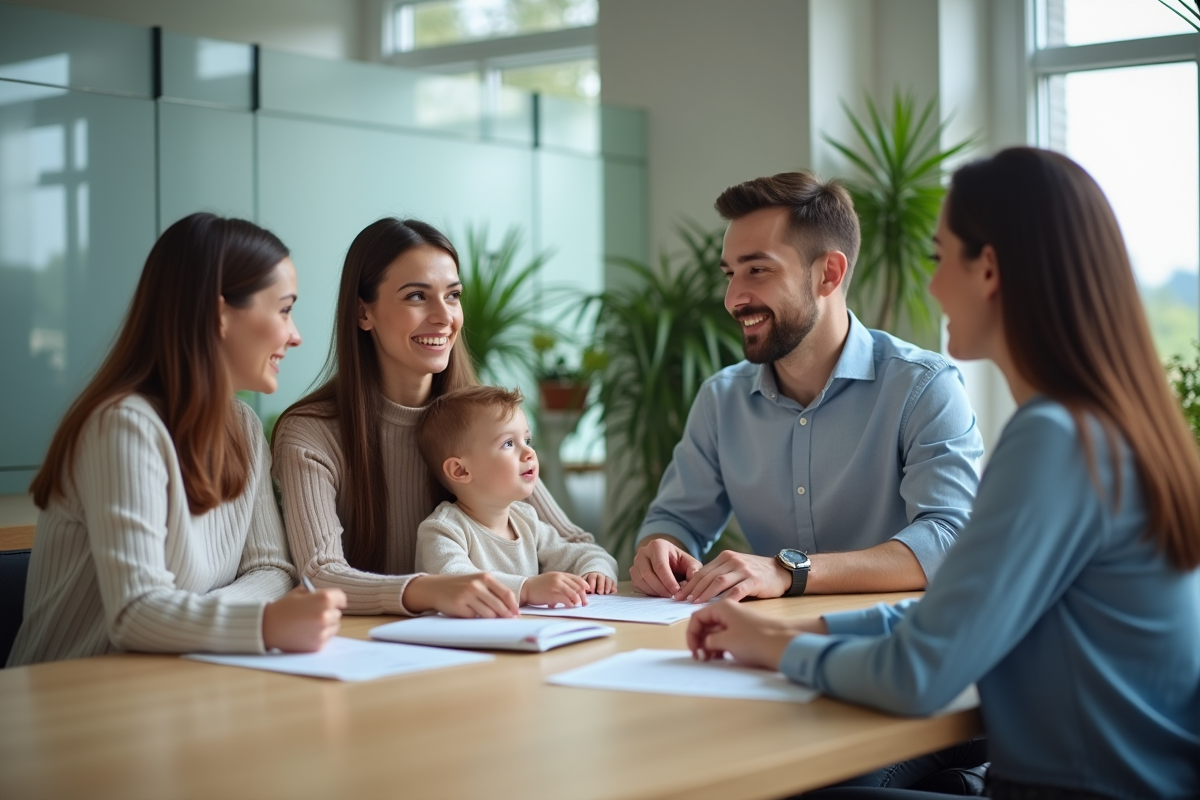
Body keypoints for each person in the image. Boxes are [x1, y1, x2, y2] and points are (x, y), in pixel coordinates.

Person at [686, 148, 1200, 799]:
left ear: (987, 269)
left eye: (938, 257)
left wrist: (781, 651)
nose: (930, 285)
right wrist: (801, 628)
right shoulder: (1102, 427)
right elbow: (951, 613)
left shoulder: (1053, 440)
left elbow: (919, 672)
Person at [8, 213, 346, 667]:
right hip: (71, 702)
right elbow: (136, 611)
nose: (296, 335)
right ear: (219, 314)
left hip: (177, 683)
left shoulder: (244, 427)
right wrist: (264, 624)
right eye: (284, 310)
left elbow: (271, 570)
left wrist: (216, 618)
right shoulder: (123, 426)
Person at [631, 172, 983, 603]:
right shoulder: (720, 400)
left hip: (887, 650)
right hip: (758, 646)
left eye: (757, 269)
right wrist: (664, 550)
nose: (733, 298)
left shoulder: (923, 388)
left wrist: (789, 571)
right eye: (730, 273)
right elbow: (674, 520)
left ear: (828, 274)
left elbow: (949, 539)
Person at [273, 218, 598, 620]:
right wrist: (434, 590)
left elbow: (574, 544)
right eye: (416, 296)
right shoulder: (310, 433)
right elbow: (319, 576)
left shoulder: (482, 424)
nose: (444, 317)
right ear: (363, 312)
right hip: (363, 655)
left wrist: (611, 568)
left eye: (453, 295)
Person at [414, 386, 618, 606]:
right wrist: (527, 589)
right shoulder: (443, 530)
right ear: (460, 471)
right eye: (508, 443)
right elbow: (456, 582)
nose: (529, 452)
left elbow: (582, 554)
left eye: (527, 441)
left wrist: (595, 571)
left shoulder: (526, 520)